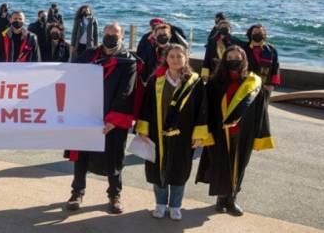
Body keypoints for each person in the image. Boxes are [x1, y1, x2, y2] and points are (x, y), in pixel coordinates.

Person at [65, 22, 137, 214]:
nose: (110, 37)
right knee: (81, 156)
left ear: (122, 37)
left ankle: (114, 195)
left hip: (113, 120)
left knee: (114, 159)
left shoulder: (128, 62)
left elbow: (126, 92)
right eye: (107, 33)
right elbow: (71, 77)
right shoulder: (88, 56)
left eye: (115, 34)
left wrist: (112, 119)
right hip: (87, 116)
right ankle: (77, 192)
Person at [196, 45, 274, 216]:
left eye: (237, 57)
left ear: (244, 59)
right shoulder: (214, 84)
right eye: (230, 57)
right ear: (224, 60)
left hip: (244, 132)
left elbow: (262, 111)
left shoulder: (253, 83)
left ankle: (231, 200)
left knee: (239, 166)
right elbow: (205, 110)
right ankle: (220, 199)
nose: (233, 60)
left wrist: (261, 135)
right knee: (221, 165)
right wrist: (203, 133)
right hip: (219, 132)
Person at [136, 44, 208, 220]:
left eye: (179, 56)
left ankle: (175, 206)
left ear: (186, 58)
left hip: (183, 135)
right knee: (157, 169)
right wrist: (143, 129)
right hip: (157, 133)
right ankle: (160, 204)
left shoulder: (195, 82)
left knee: (180, 170)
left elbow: (203, 109)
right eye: (172, 56)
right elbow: (146, 106)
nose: (175, 60)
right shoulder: (156, 80)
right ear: (166, 59)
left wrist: (199, 135)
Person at [243, 24, 280, 97]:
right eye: (255, 32)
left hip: (265, 84)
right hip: (247, 83)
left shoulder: (271, 49)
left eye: (260, 32)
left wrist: (272, 84)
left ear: (264, 34)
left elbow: (276, 67)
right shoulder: (244, 48)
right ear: (250, 34)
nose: (257, 34)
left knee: (263, 106)